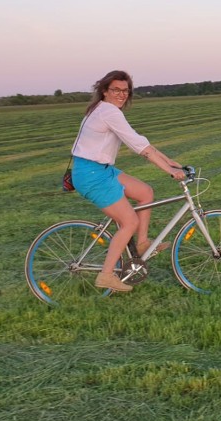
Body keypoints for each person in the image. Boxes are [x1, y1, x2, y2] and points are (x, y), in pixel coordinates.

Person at [71, 70, 185, 292]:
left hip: (101, 170)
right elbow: (139, 147)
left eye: (125, 90)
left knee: (145, 192)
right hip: (92, 175)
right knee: (129, 222)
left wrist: (168, 160)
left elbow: (139, 140)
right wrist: (169, 171)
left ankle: (142, 244)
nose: (121, 94)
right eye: (116, 90)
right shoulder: (108, 112)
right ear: (105, 91)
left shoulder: (104, 109)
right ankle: (106, 276)